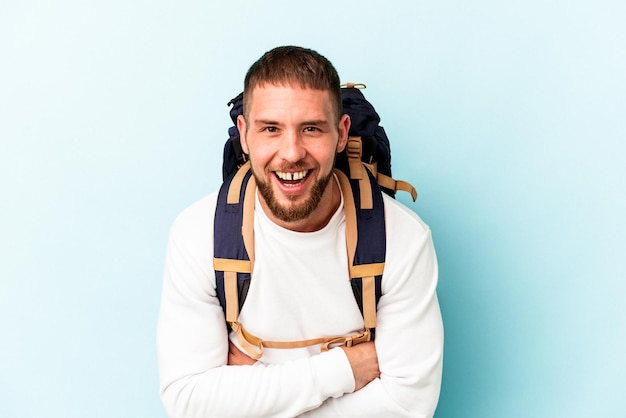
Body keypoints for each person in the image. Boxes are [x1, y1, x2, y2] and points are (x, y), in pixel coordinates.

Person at [157, 45, 443, 417]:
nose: (291, 152)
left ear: (341, 134)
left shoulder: (401, 238)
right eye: (271, 129)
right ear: (245, 135)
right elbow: (187, 400)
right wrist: (346, 368)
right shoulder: (197, 235)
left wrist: (251, 387)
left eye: (311, 128)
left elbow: (409, 406)